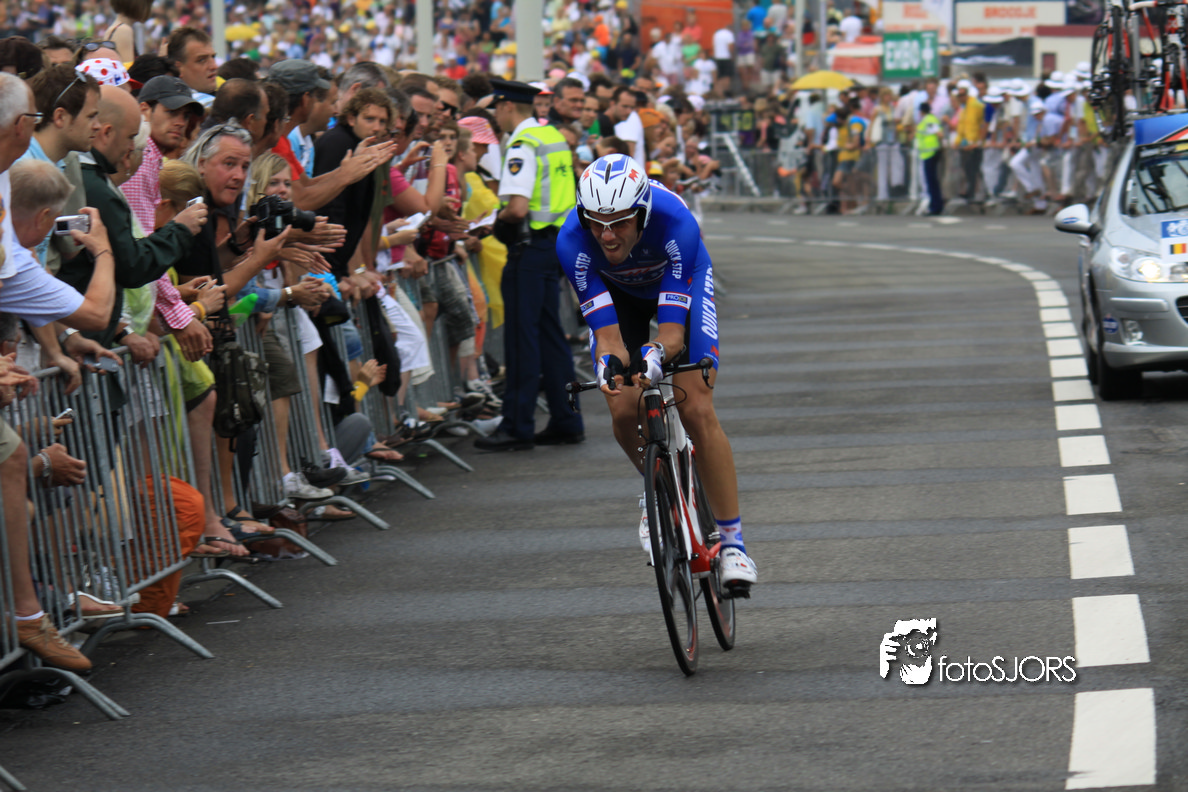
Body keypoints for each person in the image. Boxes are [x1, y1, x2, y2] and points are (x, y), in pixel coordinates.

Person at [556, 153, 756, 594]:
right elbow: (608, 340)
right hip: (619, 295)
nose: (607, 235)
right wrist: (610, 365)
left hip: (678, 281)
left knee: (696, 405)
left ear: (642, 213)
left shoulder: (676, 222)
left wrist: (656, 354)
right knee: (622, 405)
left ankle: (733, 544)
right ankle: (657, 488)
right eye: (597, 223)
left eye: (620, 222)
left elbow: (671, 336)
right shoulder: (571, 240)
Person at [475, 78, 583, 451]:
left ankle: (516, 425)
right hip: (555, 244)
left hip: (529, 247)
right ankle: (566, 419)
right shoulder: (552, 136)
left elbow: (518, 208)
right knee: (552, 337)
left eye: (496, 109)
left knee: (522, 341)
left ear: (507, 106)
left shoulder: (522, 144)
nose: (495, 117)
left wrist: (496, 222)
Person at [916, 101, 944, 216]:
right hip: (929, 153)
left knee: (931, 182)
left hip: (930, 153)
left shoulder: (929, 120)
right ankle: (935, 205)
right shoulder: (929, 119)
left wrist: (939, 146)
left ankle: (935, 206)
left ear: (921, 111)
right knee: (931, 181)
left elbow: (939, 134)